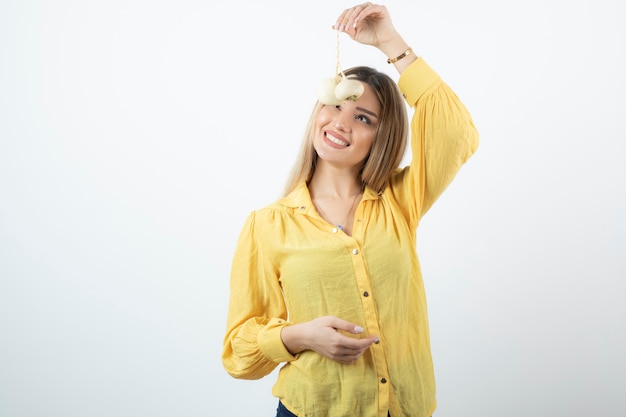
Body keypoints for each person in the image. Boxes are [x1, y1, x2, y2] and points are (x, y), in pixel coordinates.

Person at [222, 3, 479, 416]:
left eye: (363, 117)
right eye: (336, 106)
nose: (341, 123)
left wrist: (390, 43)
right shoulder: (267, 226)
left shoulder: (400, 201)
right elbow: (238, 352)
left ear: (381, 136)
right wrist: (300, 336)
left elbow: (456, 132)